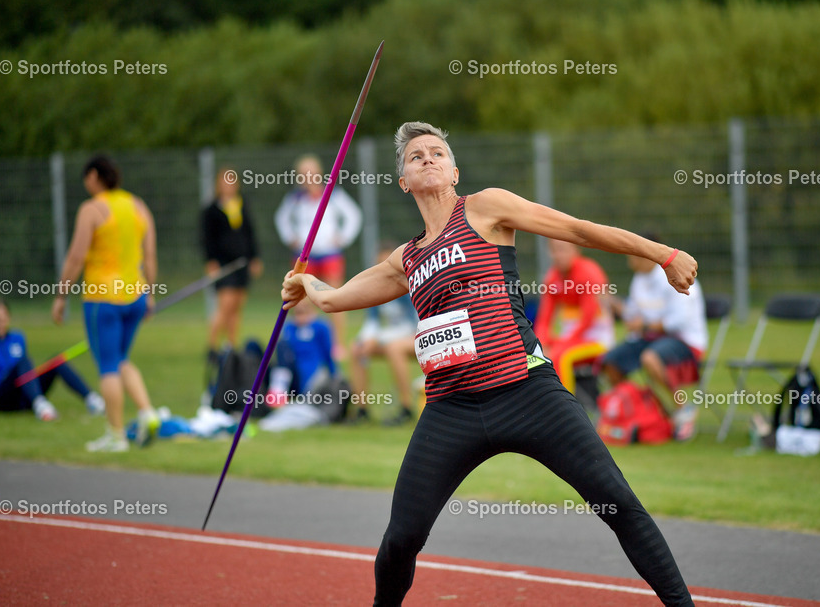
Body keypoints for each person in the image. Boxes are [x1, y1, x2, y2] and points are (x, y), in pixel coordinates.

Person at [281, 121, 697, 606]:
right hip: (451, 410)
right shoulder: (405, 259)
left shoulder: (485, 208)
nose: (428, 159)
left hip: (527, 390)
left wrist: (663, 254)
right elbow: (335, 300)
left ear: (455, 171)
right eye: (416, 157)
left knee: (618, 502)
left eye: (437, 152)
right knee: (402, 538)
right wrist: (306, 284)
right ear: (404, 182)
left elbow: (577, 229)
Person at [52, 156, 160, 453]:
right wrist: (150, 293)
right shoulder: (138, 206)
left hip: (104, 299)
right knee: (121, 358)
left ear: (94, 177)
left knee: (108, 365)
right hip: (136, 294)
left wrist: (61, 295)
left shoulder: (92, 209)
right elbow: (149, 256)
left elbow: (76, 256)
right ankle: (147, 412)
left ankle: (116, 435)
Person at [601, 236, 707, 441]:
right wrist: (614, 304)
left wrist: (645, 325)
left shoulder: (675, 273)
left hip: (684, 341)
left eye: (632, 256)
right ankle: (644, 407)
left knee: (650, 358)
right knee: (611, 362)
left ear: (646, 254)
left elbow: (678, 321)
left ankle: (682, 408)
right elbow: (635, 314)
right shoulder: (640, 279)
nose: (629, 261)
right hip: (651, 338)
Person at [275, 155, 363, 360]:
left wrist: (342, 238)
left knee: (335, 297)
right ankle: (303, 341)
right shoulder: (294, 199)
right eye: (303, 173)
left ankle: (337, 344)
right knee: (301, 300)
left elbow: (353, 216)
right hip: (304, 256)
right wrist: (291, 238)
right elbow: (281, 219)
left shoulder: (333, 194)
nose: (308, 177)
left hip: (330, 254)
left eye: (311, 172)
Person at [0, 298, 103, 423]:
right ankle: (41, 406)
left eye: (3, 319)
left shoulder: (18, 338)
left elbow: (25, 372)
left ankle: (92, 400)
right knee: (23, 361)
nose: (0, 323)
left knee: (56, 361)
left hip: (21, 395)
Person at [347, 242, 419, 426]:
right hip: (394, 335)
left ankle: (406, 408)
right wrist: (366, 340)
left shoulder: (408, 283)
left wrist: (377, 338)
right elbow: (372, 321)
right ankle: (362, 410)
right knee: (356, 348)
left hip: (420, 333)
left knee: (393, 348)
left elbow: (412, 324)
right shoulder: (377, 287)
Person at [532, 239, 614, 385]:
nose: (558, 255)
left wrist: (560, 343)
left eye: (562, 249)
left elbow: (587, 320)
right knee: (536, 354)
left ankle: (566, 405)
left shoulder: (589, 273)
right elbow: (544, 319)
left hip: (595, 338)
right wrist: (542, 342)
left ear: (575, 250)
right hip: (570, 339)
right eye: (554, 250)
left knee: (559, 356)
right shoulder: (552, 277)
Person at [202, 167, 263, 357]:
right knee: (225, 306)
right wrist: (210, 261)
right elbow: (206, 238)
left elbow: (250, 233)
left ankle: (231, 346)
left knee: (237, 306)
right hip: (223, 264)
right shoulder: (211, 210)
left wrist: (255, 257)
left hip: (242, 263)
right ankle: (212, 347)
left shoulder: (242, 205)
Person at [260, 298, 337, 432]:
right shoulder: (289, 327)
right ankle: (274, 393)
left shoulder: (321, 327)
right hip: (291, 375)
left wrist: (334, 377)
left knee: (283, 347)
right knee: (271, 347)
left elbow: (328, 355)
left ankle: (278, 395)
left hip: (310, 379)